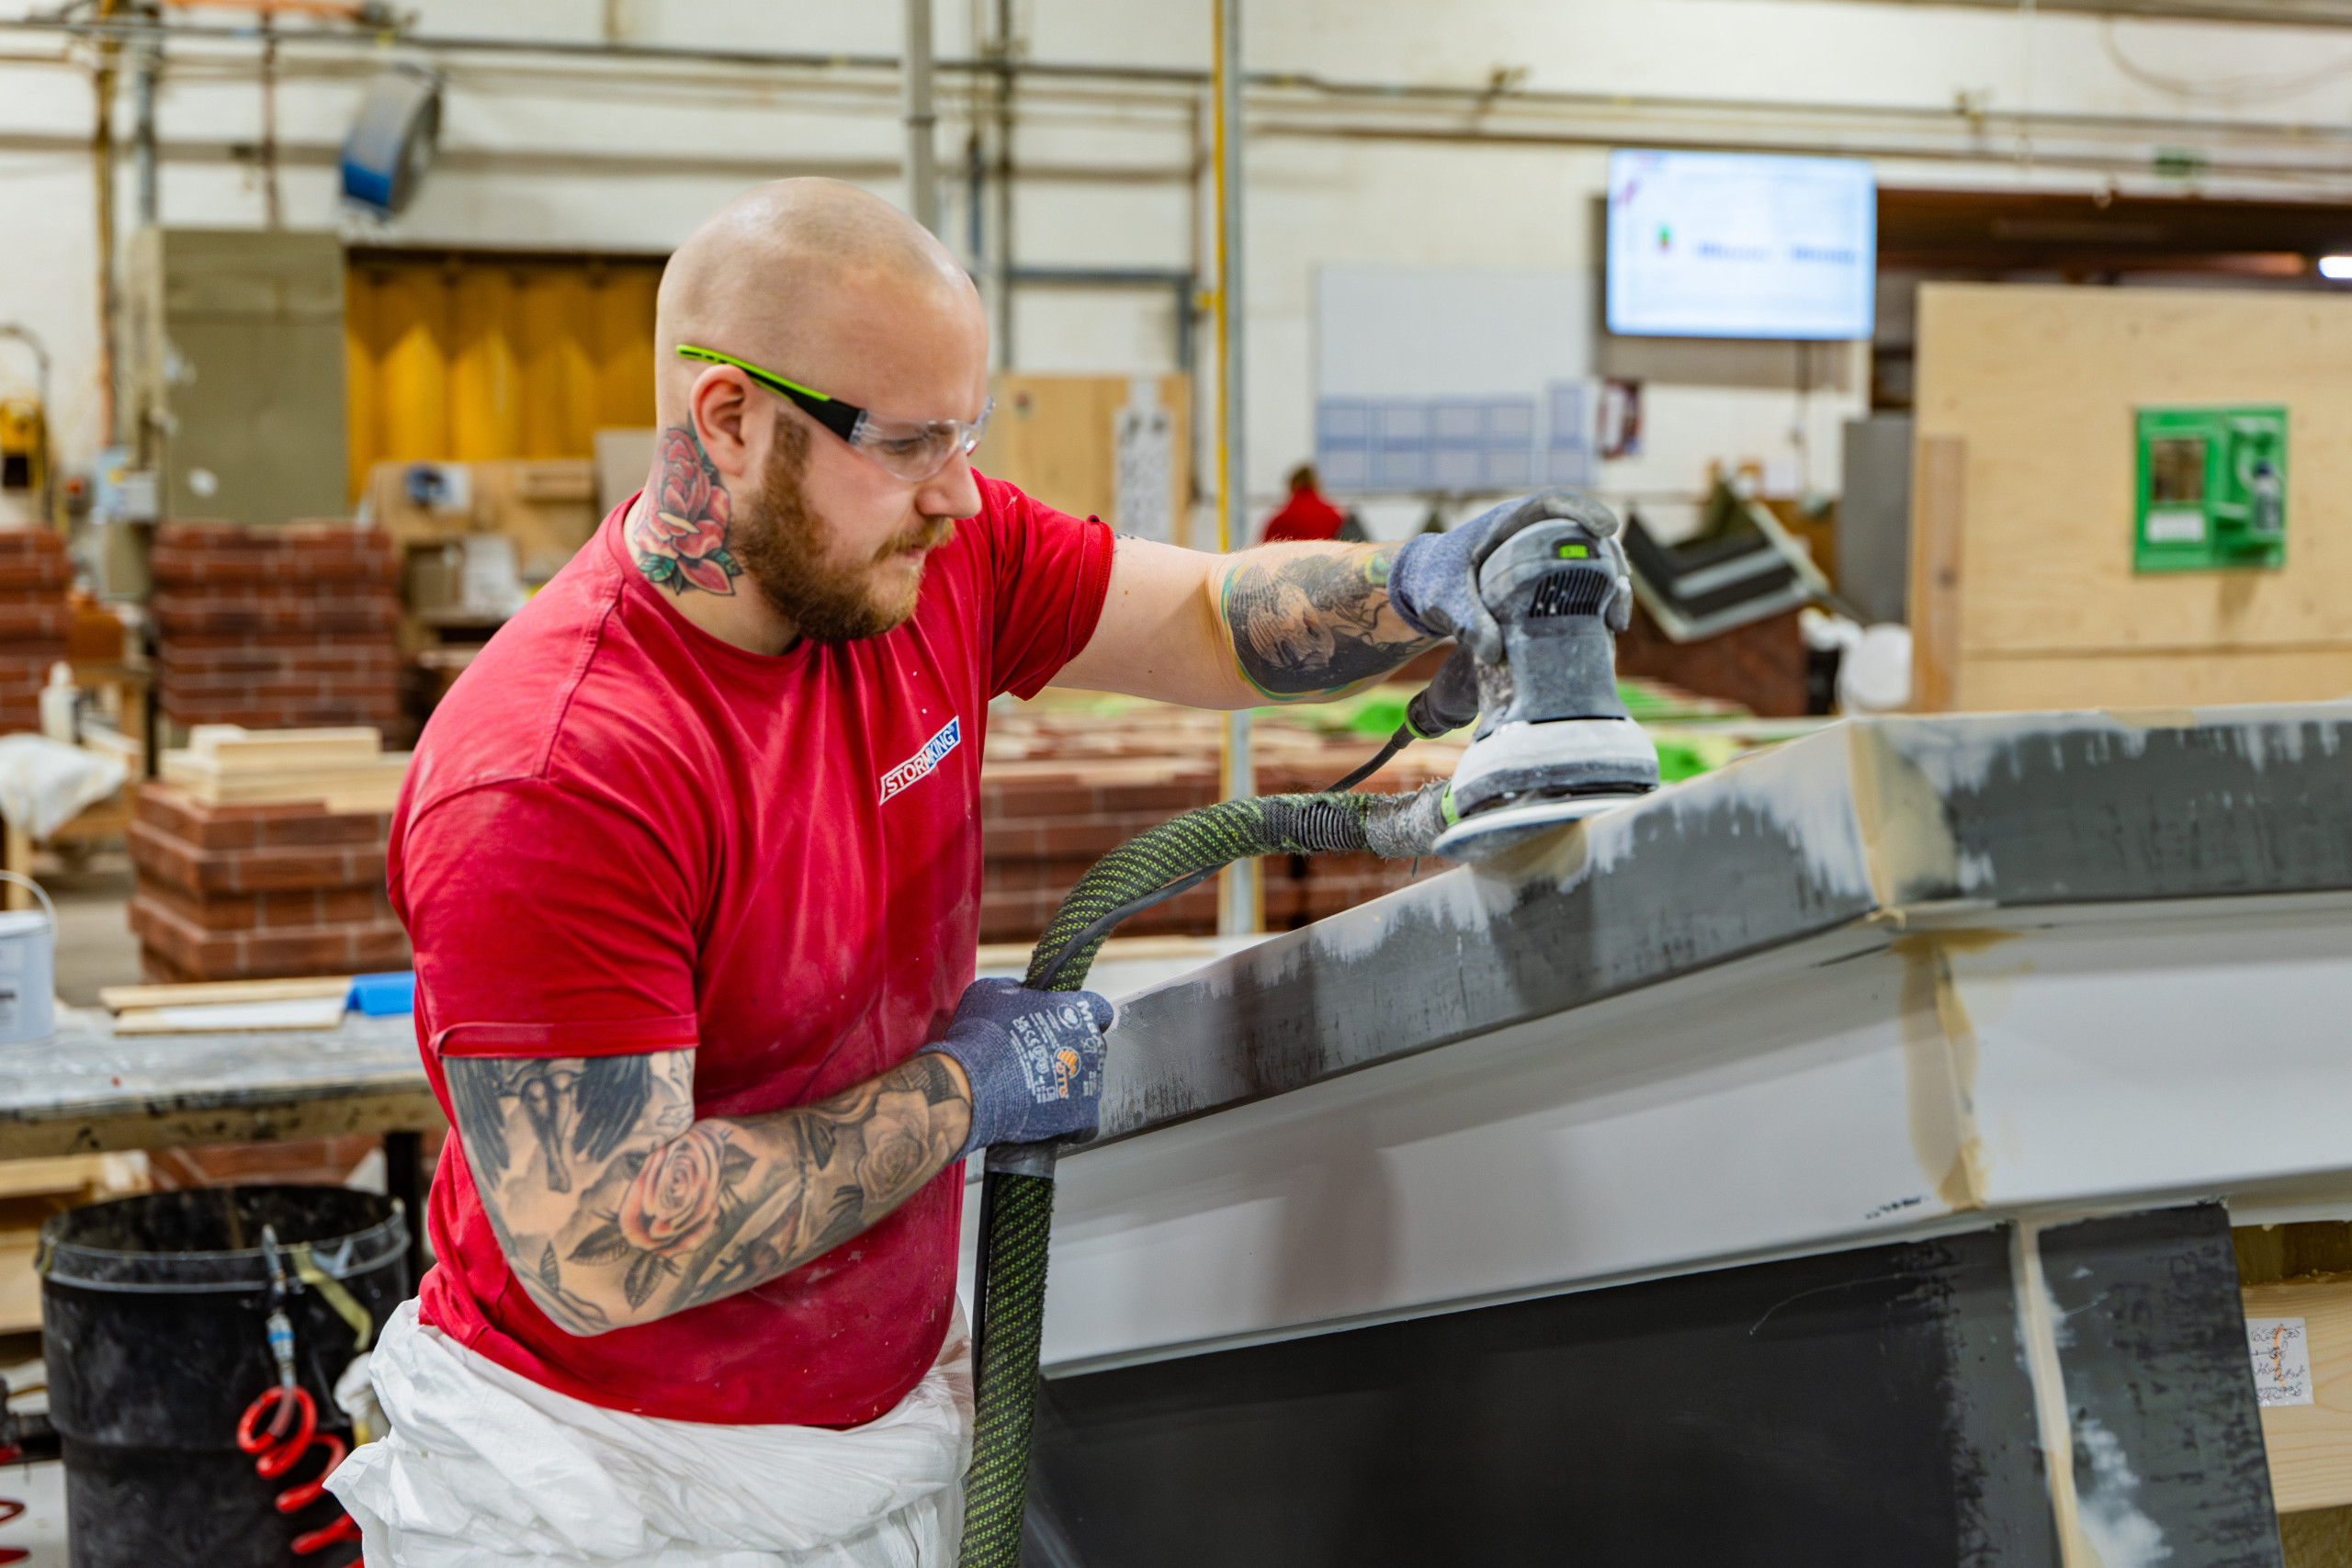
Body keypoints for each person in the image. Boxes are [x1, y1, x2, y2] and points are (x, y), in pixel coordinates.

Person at [327, 177, 1569, 1566]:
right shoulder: (559, 769)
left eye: (965, 433)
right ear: (730, 421)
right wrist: (965, 1089)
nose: (957, 489)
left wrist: (1423, 584)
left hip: (880, 1421)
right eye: (910, 441)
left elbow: (1206, 618)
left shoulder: (918, 563)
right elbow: (607, 1241)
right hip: (610, 1482)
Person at [1259, 462, 1349, 543]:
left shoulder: (1279, 520)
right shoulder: (1335, 516)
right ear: (1316, 485)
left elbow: (1265, 553)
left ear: (1292, 486)